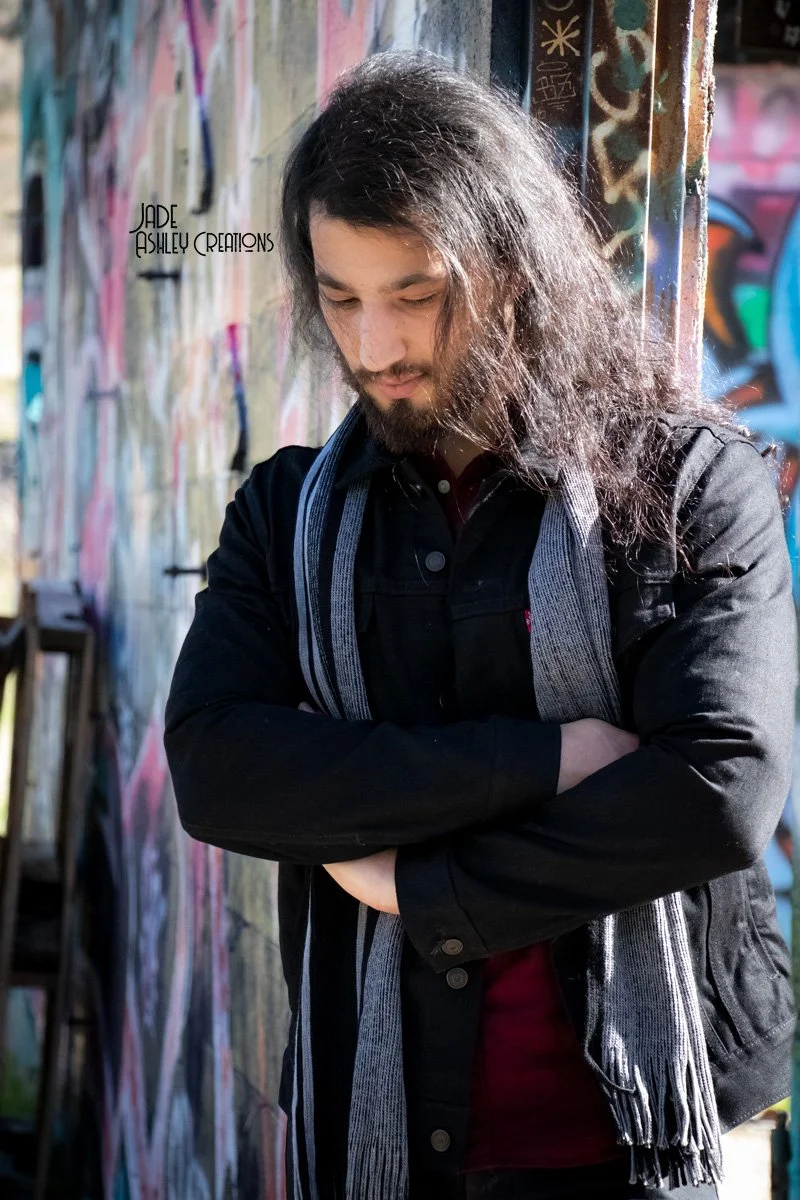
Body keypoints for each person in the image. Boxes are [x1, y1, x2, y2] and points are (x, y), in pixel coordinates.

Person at [163, 49, 798, 1200]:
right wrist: (550, 757)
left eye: (414, 295)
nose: (373, 348)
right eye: (340, 297)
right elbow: (219, 771)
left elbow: (719, 786)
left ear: (509, 268)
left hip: (627, 1143)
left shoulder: (689, 483)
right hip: (382, 1141)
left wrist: (417, 889)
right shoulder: (284, 513)